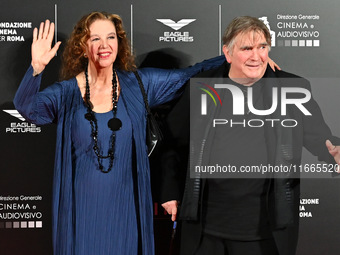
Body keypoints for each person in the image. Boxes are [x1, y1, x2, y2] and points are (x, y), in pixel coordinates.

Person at [13, 11, 229, 255]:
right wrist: (36, 68)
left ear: (119, 43)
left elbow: (192, 74)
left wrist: (241, 58)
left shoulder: (139, 84)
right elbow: (28, 108)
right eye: (95, 39)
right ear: (83, 47)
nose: (104, 46)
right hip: (81, 211)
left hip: (126, 208)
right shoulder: (66, 93)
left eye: (111, 37)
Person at [161, 16, 340, 255]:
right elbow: (172, 142)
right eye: (247, 48)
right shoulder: (202, 87)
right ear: (228, 52)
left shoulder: (293, 88)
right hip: (205, 230)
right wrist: (169, 192)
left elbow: (321, 139)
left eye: (262, 47)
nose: (256, 57)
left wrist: (335, 154)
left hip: (265, 233)